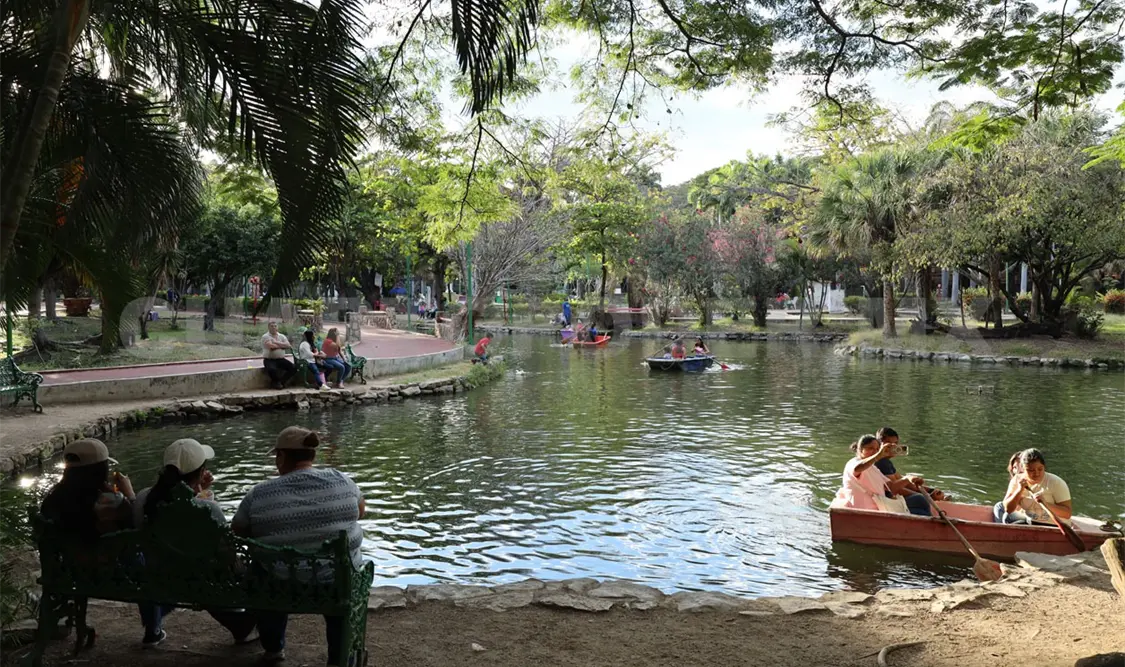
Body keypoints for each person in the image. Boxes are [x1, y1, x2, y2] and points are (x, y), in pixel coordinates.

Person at [233, 427, 366, 666]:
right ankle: (338, 658)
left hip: (282, 585)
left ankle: (274, 648)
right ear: (311, 456)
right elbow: (360, 512)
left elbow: (238, 531)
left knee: (263, 572)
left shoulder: (259, 494)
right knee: (340, 575)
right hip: (336, 583)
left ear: (281, 457)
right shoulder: (342, 480)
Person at [133, 439, 256, 648]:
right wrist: (205, 498)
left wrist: (197, 492)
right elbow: (224, 554)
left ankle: (153, 628)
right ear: (201, 472)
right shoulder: (209, 508)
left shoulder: (144, 499)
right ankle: (242, 628)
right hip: (202, 582)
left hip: (160, 577)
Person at [40, 439, 135, 540]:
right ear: (101, 470)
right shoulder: (113, 502)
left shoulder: (52, 498)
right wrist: (129, 494)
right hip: (102, 553)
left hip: (68, 553)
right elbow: (138, 525)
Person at [837, 435, 929, 516]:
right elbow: (858, 468)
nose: (875, 452)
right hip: (868, 508)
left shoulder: (873, 468)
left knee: (919, 499)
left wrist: (908, 478)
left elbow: (891, 487)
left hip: (880, 504)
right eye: (870, 448)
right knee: (920, 503)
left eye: (877, 449)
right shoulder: (854, 462)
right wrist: (878, 455)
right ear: (861, 450)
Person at [874, 427, 947, 508]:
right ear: (880, 445)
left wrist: (930, 490)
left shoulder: (887, 462)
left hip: (896, 496)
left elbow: (904, 482)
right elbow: (896, 489)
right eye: (889, 444)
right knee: (920, 499)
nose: (893, 447)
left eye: (895, 443)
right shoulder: (881, 462)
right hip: (891, 500)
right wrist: (927, 497)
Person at [994, 448, 1072, 524]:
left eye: (1040, 469)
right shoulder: (1017, 479)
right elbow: (1008, 509)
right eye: (1031, 470)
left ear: (1044, 467)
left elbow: (1067, 514)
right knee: (1002, 510)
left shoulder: (1056, 482)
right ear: (1023, 469)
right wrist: (1019, 490)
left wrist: (1045, 504)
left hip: (1051, 524)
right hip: (1029, 520)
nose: (1036, 473)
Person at [262, 322, 296, 390]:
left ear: (277, 327)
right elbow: (271, 346)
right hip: (269, 359)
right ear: (268, 327)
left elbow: (288, 345)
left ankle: (281, 382)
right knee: (272, 369)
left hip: (281, 359)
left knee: (293, 368)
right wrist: (282, 346)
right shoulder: (265, 336)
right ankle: (276, 382)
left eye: (275, 326)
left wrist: (275, 342)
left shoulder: (282, 336)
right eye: (272, 326)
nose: (274, 327)